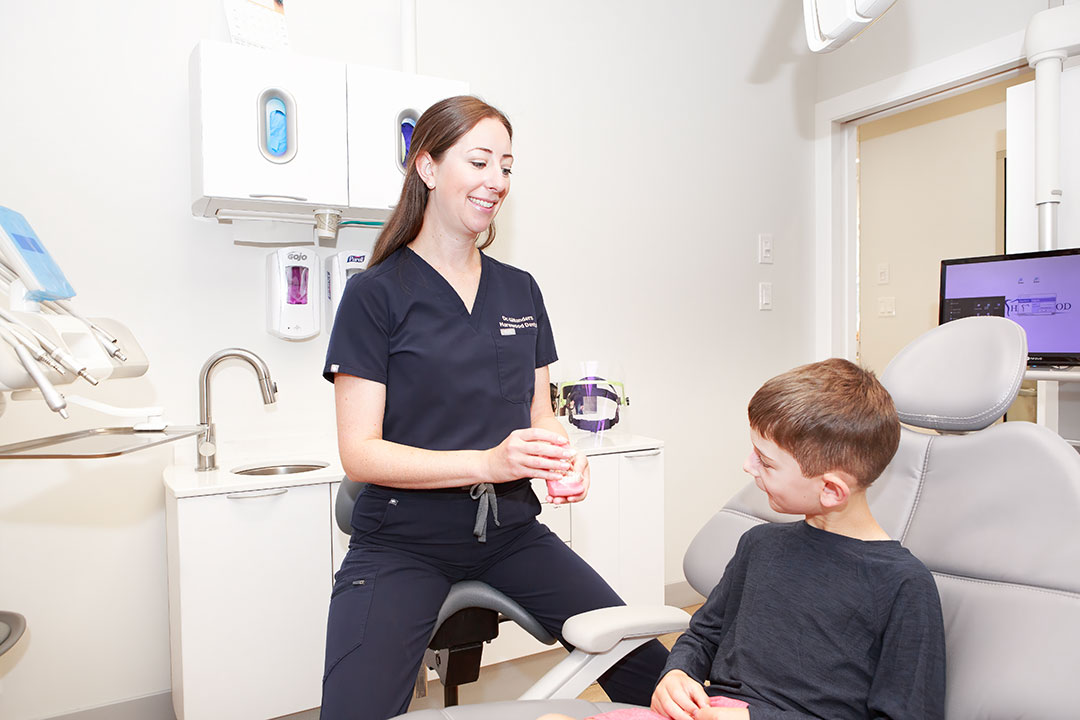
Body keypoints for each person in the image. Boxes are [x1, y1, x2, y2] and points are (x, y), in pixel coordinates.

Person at [320, 95, 668, 720]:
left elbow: (541, 411)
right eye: (478, 162)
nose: (496, 182)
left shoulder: (519, 289)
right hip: (402, 540)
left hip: (509, 531)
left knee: (650, 669)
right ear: (426, 168)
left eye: (505, 166)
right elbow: (360, 453)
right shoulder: (375, 296)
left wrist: (562, 454)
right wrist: (489, 461)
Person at [540, 359, 946, 720]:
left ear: (832, 491)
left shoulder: (903, 586)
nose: (747, 466)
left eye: (765, 461)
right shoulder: (761, 545)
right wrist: (678, 672)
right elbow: (704, 634)